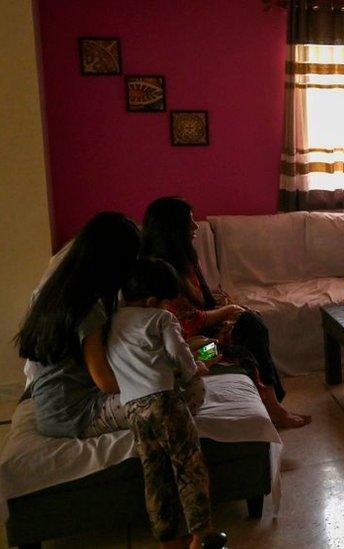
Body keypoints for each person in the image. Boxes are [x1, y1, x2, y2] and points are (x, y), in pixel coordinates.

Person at [141, 196, 310, 429]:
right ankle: (274, 408)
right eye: (189, 223)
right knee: (244, 343)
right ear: (173, 230)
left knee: (251, 323)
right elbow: (188, 323)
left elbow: (205, 300)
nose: (196, 227)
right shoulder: (160, 271)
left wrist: (228, 307)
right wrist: (228, 310)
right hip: (195, 349)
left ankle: (274, 405)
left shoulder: (184, 256)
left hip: (204, 329)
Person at [107, 257, 227, 549]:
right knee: (189, 467)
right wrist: (194, 369)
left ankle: (168, 539)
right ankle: (201, 536)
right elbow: (181, 356)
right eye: (166, 301)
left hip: (134, 408)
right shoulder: (161, 319)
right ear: (151, 300)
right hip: (166, 403)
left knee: (155, 474)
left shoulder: (112, 322)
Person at [16, 212, 140, 438]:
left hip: (51, 409)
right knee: (169, 398)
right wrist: (151, 379)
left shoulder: (57, 291)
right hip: (76, 414)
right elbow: (106, 382)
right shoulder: (88, 308)